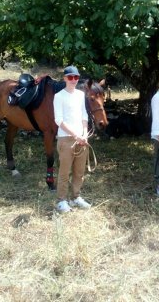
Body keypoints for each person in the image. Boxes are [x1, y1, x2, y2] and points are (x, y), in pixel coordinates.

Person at [53, 65, 91, 213]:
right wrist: (76, 135)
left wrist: (85, 134)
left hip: (82, 138)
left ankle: (75, 197)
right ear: (65, 79)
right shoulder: (59, 96)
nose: (73, 80)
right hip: (66, 138)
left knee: (79, 171)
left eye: (76, 77)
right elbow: (59, 120)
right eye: (70, 77)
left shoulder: (80, 95)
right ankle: (61, 200)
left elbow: (84, 116)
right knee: (64, 171)